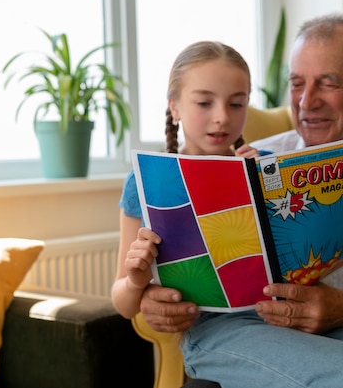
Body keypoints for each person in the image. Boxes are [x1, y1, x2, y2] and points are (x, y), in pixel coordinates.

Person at [134, 14, 343, 388]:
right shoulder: (257, 160)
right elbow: (166, 260)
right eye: (296, 83)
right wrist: (153, 296)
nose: (307, 102)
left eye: (329, 82)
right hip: (264, 339)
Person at [111, 40, 259, 320]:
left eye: (237, 104)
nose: (222, 117)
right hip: (212, 324)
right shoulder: (145, 181)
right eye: (204, 103)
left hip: (277, 314)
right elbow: (123, 305)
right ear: (175, 108)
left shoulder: (264, 166)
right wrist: (136, 281)